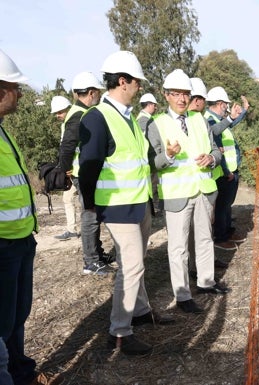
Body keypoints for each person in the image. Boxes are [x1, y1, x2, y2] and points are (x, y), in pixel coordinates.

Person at [79, 50, 174, 356]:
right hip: (119, 207)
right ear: (123, 81)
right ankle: (119, 332)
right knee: (131, 267)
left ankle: (142, 311)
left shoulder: (128, 117)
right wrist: (92, 204)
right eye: (136, 82)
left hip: (139, 203)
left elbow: (138, 161)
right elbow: (89, 166)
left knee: (137, 264)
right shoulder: (97, 117)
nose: (139, 87)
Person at [0, 48, 61, 385]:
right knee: (3, 321)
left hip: (21, 239)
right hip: (3, 245)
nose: (20, 93)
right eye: (15, 87)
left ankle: (20, 370)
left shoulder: (3, 129)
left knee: (17, 314)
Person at [146, 69, 230, 315]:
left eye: (185, 94)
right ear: (166, 95)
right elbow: (153, 163)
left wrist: (212, 159)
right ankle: (182, 295)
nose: (182, 99)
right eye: (176, 94)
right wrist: (169, 155)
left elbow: (215, 150)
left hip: (203, 190)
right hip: (177, 195)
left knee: (204, 239)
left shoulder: (199, 119)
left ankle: (206, 282)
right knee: (179, 247)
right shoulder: (156, 124)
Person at [57, 72, 115, 275]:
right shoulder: (80, 115)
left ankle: (97, 253)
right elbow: (67, 147)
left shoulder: (77, 112)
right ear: (91, 93)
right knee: (90, 216)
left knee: (95, 215)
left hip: (83, 172)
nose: (99, 96)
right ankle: (91, 261)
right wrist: (64, 172)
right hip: (82, 174)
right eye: (97, 92)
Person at [205, 86, 248, 251]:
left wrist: (243, 111)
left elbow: (231, 122)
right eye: (226, 104)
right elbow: (218, 149)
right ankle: (220, 237)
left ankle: (227, 232)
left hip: (229, 170)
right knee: (222, 206)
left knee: (227, 204)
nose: (227, 108)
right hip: (223, 172)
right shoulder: (209, 120)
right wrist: (226, 171)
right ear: (220, 103)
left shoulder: (217, 119)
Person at [50, 96, 79, 241]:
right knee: (67, 198)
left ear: (67, 109)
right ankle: (71, 229)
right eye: (56, 113)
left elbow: (70, 148)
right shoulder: (65, 125)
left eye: (60, 112)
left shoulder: (74, 121)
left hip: (78, 170)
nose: (57, 116)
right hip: (71, 170)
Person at [136, 93, 160, 212]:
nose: (155, 108)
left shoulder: (146, 119)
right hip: (150, 158)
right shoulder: (143, 120)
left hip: (151, 157)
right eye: (154, 105)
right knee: (153, 185)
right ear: (149, 105)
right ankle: (154, 208)